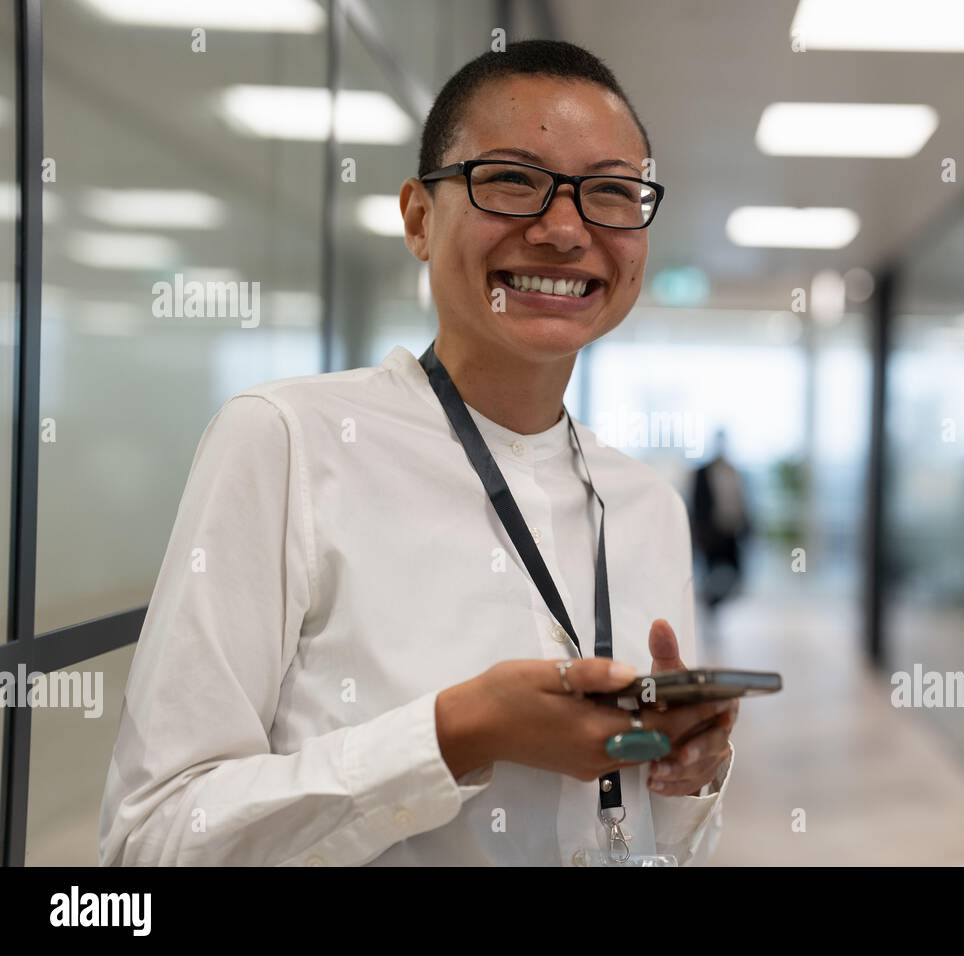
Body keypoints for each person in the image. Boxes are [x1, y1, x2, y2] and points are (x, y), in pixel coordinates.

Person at [99, 39, 739, 867]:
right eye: (513, 180)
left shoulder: (647, 503)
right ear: (418, 218)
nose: (565, 229)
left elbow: (647, 834)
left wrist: (685, 781)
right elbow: (148, 840)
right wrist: (456, 732)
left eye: (611, 192)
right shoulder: (288, 442)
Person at [690, 429, 752, 616]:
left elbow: (741, 502)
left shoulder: (734, 471)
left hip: (731, 532)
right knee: (711, 573)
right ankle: (711, 608)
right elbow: (697, 504)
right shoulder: (702, 473)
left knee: (733, 573)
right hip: (712, 534)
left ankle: (715, 602)